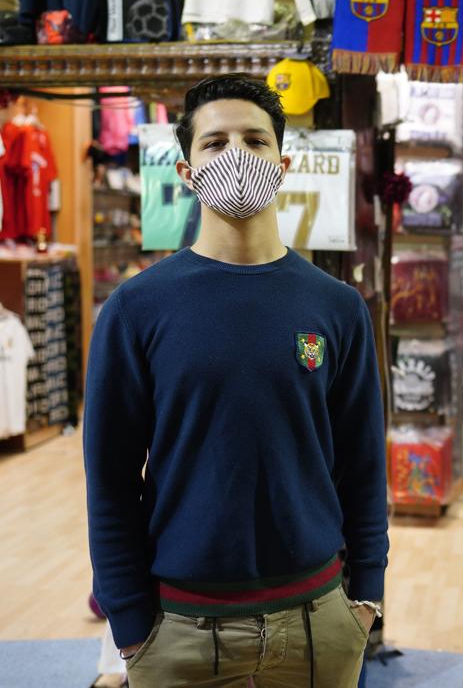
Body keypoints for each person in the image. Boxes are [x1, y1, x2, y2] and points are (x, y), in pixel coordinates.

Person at [84, 74, 388, 687]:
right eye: (215, 143)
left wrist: (367, 598)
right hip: (177, 628)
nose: (237, 156)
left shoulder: (337, 307)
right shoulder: (135, 310)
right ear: (187, 170)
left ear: (285, 163)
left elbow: (363, 463)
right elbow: (110, 479)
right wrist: (129, 623)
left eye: (255, 140)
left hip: (319, 621)